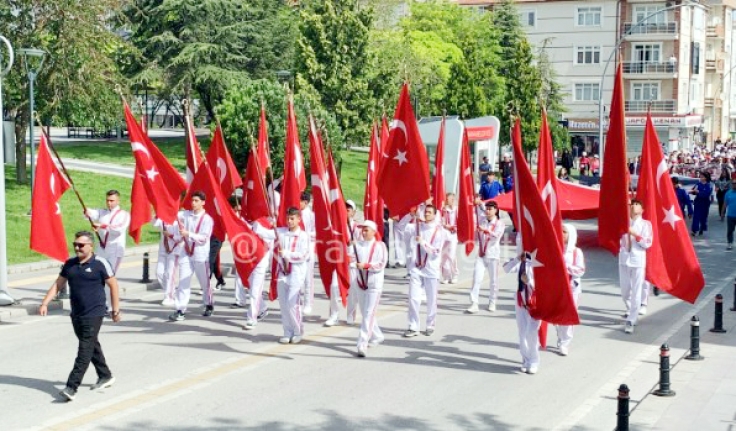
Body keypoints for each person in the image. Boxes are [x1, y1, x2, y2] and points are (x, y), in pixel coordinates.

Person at [39, 231, 121, 401]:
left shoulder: (100, 263)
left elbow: (113, 285)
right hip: (76, 313)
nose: (77, 247)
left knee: (84, 350)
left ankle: (71, 387)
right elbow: (58, 284)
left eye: (81, 245)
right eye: (75, 244)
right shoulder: (69, 264)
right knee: (91, 345)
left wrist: (115, 309)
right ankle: (105, 375)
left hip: (95, 312)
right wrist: (45, 302)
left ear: (91, 246)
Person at [168, 191, 215, 321]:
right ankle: (180, 309)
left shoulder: (207, 219)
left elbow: (204, 238)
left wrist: (188, 234)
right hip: (186, 253)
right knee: (183, 281)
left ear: (203, 202)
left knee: (204, 282)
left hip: (201, 255)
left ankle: (209, 303)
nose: (193, 203)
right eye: (192, 200)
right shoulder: (186, 215)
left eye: (196, 201)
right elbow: (172, 213)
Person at [84, 190, 130, 311]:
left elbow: (118, 229)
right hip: (102, 248)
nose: (109, 203)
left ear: (118, 200)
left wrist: (102, 226)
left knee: (109, 277)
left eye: (112, 201)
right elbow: (92, 213)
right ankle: (100, 303)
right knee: (98, 276)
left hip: (115, 250)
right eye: (108, 200)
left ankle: (109, 306)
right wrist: (86, 211)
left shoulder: (124, 214)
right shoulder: (102, 212)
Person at [403, 205, 445, 337]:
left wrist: (423, 243)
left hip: (431, 269)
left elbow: (436, 252)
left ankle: (430, 324)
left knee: (431, 299)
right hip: (416, 268)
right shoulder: (416, 227)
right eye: (425, 212)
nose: (426, 214)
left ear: (434, 215)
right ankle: (413, 326)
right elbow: (401, 228)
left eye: (429, 212)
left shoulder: (439, 231)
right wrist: (411, 215)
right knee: (413, 298)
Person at [350, 220, 388, 357]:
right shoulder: (357, 245)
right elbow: (351, 260)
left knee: (368, 313)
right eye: (362, 230)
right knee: (366, 312)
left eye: (367, 230)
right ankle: (377, 335)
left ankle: (362, 343)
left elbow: (381, 264)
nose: (364, 232)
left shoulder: (380, 246)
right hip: (360, 282)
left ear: (374, 232)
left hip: (374, 284)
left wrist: (366, 265)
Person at [503, 236, 540, 374]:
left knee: (531, 332)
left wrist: (529, 281)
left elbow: (543, 284)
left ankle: (534, 360)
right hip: (521, 301)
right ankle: (526, 359)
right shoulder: (521, 261)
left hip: (536, 303)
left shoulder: (538, 262)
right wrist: (518, 258)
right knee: (522, 332)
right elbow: (506, 268)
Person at [325, 200, 363, 327]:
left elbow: (363, 246)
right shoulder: (337, 227)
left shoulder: (357, 228)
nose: (346, 212)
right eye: (344, 209)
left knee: (352, 290)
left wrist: (354, 244)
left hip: (352, 264)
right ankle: (333, 316)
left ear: (353, 212)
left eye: (348, 210)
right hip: (340, 263)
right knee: (334, 288)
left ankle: (350, 315)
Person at [275, 207, 310, 344]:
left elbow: (304, 255)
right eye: (288, 218)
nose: (289, 221)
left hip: (296, 273)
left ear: (298, 219)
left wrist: (287, 255)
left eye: (292, 218)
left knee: (292, 304)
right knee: (283, 304)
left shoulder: (303, 236)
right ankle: (287, 331)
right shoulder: (281, 232)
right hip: (282, 273)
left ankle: (297, 330)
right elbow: (266, 233)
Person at [619, 199, 653, 334]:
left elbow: (648, 243)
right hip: (624, 259)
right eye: (632, 204)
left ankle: (632, 319)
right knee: (625, 290)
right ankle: (630, 308)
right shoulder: (623, 223)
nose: (634, 206)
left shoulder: (646, 224)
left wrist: (634, 234)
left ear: (642, 210)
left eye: (637, 204)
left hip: (638, 260)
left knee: (636, 290)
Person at [467, 201, 505, 313]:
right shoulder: (482, 220)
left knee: (493, 281)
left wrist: (486, 231)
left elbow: (496, 236)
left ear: (496, 210)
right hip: (481, 254)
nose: (488, 211)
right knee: (477, 278)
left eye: (490, 209)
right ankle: (474, 303)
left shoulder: (499, 223)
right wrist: (478, 204)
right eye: (487, 209)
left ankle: (492, 301)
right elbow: (478, 212)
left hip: (493, 256)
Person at [555, 224, 585, 356]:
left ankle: (564, 343)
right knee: (557, 316)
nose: (562, 234)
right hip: (558, 287)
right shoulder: (555, 249)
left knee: (568, 316)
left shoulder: (576, 252)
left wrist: (566, 267)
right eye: (560, 231)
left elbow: (580, 270)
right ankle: (561, 336)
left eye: (564, 232)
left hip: (572, 288)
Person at [152, 217, 182, 306]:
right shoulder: (162, 219)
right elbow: (154, 223)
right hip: (163, 249)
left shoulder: (179, 220)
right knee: (159, 273)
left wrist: (170, 235)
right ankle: (170, 291)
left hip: (174, 250)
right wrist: (156, 212)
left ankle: (169, 296)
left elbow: (181, 238)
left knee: (170, 274)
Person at [299, 192, 316, 314]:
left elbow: (316, 232)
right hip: (298, 249)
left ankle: (308, 303)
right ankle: (298, 302)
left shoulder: (312, 215)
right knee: (298, 277)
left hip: (309, 248)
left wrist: (305, 235)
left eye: (299, 201)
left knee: (308, 279)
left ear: (305, 202)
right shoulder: (296, 214)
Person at [440, 193, 459, 284]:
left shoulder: (457, 210)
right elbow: (441, 221)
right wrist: (445, 226)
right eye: (448, 199)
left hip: (454, 234)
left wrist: (455, 227)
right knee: (444, 255)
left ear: (454, 200)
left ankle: (454, 274)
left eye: (451, 199)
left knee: (451, 255)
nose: (449, 201)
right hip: (445, 233)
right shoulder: (443, 210)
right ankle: (446, 276)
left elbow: (462, 221)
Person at [690, 171, 714, 236]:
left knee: (703, 217)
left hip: (705, 203)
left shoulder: (709, 185)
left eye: (702, 177)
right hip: (698, 202)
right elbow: (693, 191)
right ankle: (694, 230)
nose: (700, 178)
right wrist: (692, 192)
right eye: (700, 176)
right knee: (696, 216)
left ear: (706, 178)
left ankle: (702, 228)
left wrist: (698, 192)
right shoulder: (698, 184)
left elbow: (707, 194)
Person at [724, 178, 736, 250]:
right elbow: (725, 203)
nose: (734, 185)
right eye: (733, 184)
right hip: (730, 215)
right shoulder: (728, 193)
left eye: (735, 184)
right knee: (730, 230)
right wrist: (723, 213)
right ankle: (729, 243)